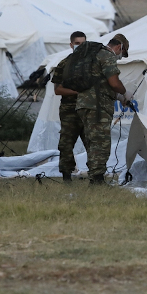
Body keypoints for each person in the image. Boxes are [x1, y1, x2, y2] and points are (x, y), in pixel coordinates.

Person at [76, 34, 130, 185]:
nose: (120, 57)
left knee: (93, 142)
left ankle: (94, 176)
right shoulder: (108, 55)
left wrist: (117, 96)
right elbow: (113, 81)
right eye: (122, 53)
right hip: (97, 106)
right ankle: (97, 179)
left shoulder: (93, 54)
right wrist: (124, 93)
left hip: (83, 104)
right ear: (119, 47)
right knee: (101, 143)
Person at [51, 30, 88, 181]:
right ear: (71, 45)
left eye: (83, 44)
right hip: (69, 111)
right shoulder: (64, 64)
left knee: (93, 143)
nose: (80, 46)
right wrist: (77, 92)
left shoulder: (93, 64)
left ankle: (96, 176)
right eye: (77, 44)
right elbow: (58, 89)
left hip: (88, 110)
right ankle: (67, 175)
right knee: (66, 144)